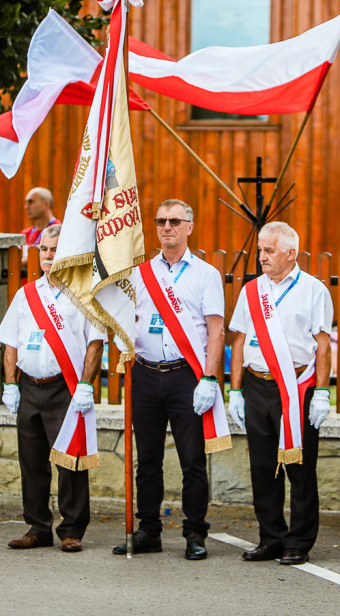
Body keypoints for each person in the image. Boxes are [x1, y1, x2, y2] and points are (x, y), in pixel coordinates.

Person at [113, 199, 224, 561]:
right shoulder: (140, 273)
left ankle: (195, 532)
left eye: (175, 221)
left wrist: (208, 377)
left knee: (192, 460)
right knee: (147, 460)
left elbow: (216, 330)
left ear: (189, 226)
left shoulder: (205, 274)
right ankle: (149, 530)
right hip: (145, 374)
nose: (166, 227)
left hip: (184, 376)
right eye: (161, 221)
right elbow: (125, 316)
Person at [227, 221, 333, 567]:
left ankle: (299, 542)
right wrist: (236, 390)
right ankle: (270, 537)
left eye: (269, 250)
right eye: (260, 250)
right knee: (262, 467)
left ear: (291, 253)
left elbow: (322, 344)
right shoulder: (252, 290)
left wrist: (321, 391)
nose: (261, 257)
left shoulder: (314, 290)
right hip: (257, 385)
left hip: (297, 387)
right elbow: (239, 340)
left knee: (299, 468)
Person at [0, 224, 104, 553]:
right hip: (30, 387)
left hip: (65, 388)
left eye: (55, 249)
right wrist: (10, 385)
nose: (47, 255)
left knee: (70, 461)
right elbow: (11, 343)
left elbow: (95, 343)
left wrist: (86, 385)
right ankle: (37, 526)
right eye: (44, 249)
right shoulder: (26, 295)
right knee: (31, 461)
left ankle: (71, 529)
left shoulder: (84, 294)